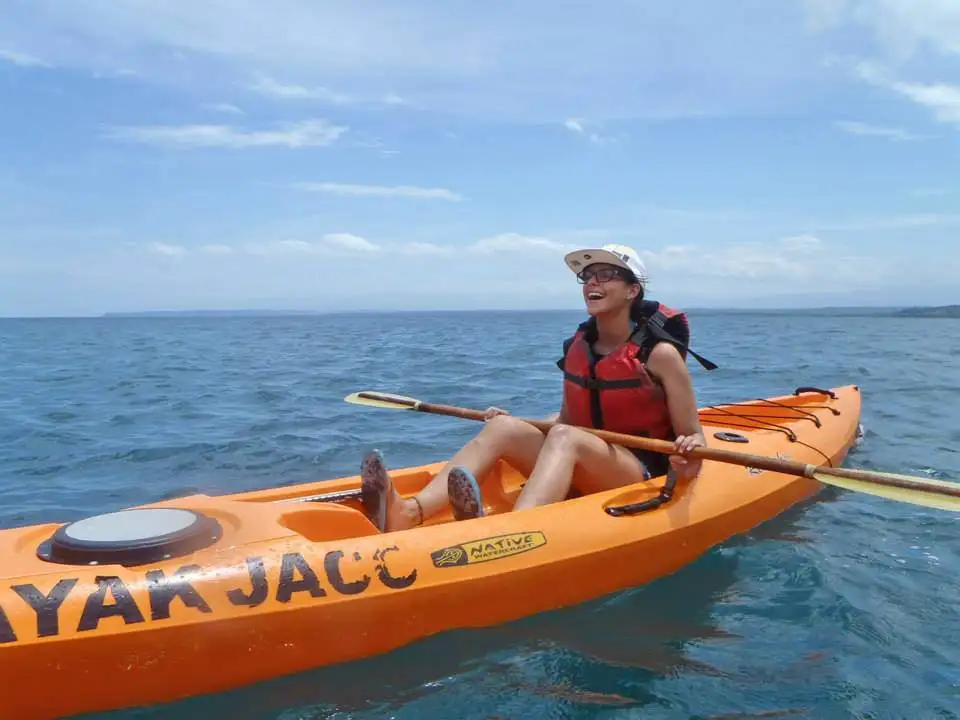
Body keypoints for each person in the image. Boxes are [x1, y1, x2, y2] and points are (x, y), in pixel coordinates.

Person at [360, 243, 711, 532]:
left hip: (638, 469)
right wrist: (522, 426)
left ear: (632, 291)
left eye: (607, 275)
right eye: (587, 276)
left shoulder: (660, 355)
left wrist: (689, 447)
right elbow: (568, 418)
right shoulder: (577, 347)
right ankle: (412, 512)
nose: (593, 282)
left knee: (566, 438)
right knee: (504, 427)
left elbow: (692, 435)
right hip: (587, 455)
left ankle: (515, 532)